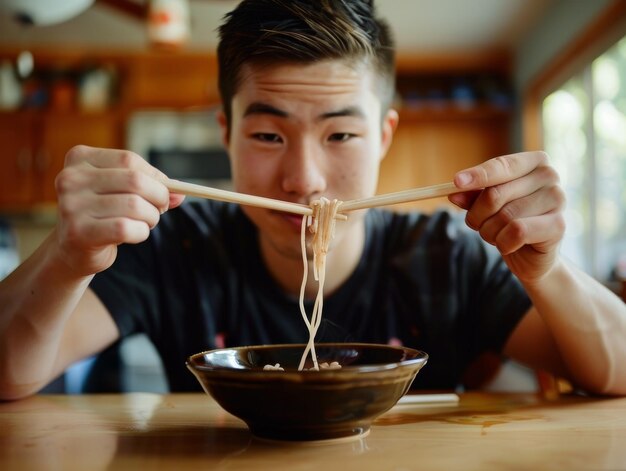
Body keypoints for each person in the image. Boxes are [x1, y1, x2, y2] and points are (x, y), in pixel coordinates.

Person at [0, 0, 625, 400]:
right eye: (269, 135)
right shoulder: (174, 245)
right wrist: (66, 252)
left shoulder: (445, 255)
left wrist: (545, 267)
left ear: (383, 137)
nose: (303, 180)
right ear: (227, 133)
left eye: (342, 134)